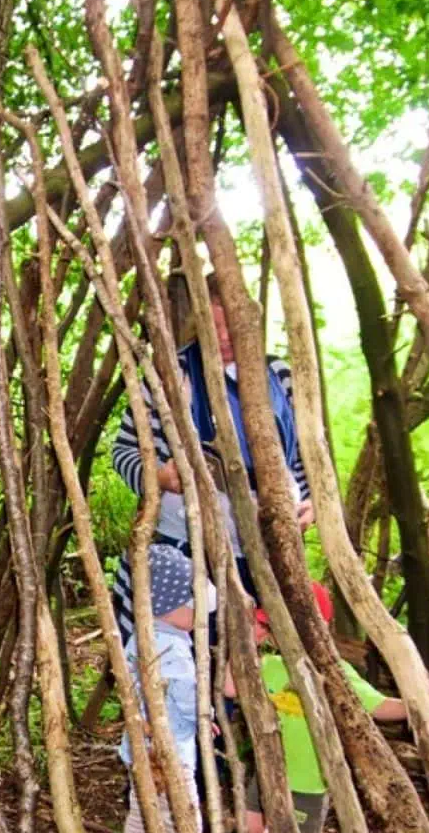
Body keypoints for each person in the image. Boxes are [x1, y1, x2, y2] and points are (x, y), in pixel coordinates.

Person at [109, 272, 312, 643]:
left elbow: (305, 459)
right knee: (187, 658)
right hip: (187, 548)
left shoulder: (278, 375)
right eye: (213, 324)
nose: (222, 335)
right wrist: (158, 477)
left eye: (231, 324)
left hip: (265, 553)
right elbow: (123, 451)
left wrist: (309, 501)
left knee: (250, 660)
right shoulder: (172, 375)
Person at [238, 583, 412, 833]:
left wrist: (417, 705)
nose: (269, 633)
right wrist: (248, 639)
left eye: (271, 626)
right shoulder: (269, 666)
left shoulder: (334, 672)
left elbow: (378, 707)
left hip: (307, 781)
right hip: (270, 772)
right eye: (266, 626)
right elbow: (230, 687)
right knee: (252, 830)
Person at [116, 542, 204, 833]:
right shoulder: (173, 648)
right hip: (170, 752)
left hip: (139, 746)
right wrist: (205, 713)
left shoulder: (140, 636)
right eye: (192, 605)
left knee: (142, 811)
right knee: (184, 820)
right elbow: (186, 696)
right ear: (170, 608)